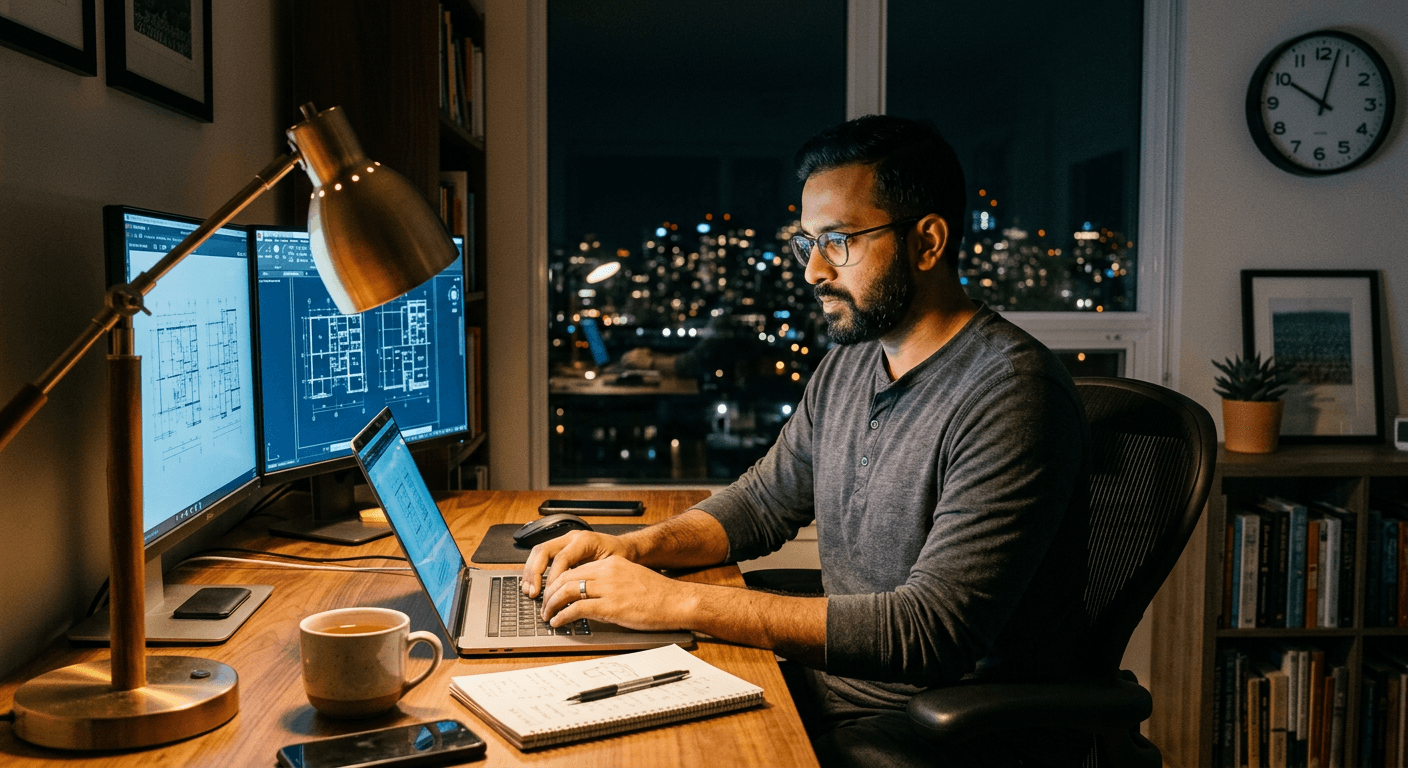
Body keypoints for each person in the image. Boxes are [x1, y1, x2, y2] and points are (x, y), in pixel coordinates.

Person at [523, 115, 1093, 767]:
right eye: (807, 244)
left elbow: (932, 632)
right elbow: (762, 504)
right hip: (836, 686)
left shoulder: (1012, 394)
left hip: (946, 732)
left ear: (928, 241)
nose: (813, 271)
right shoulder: (850, 365)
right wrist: (633, 548)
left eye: (839, 241)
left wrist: (677, 600)